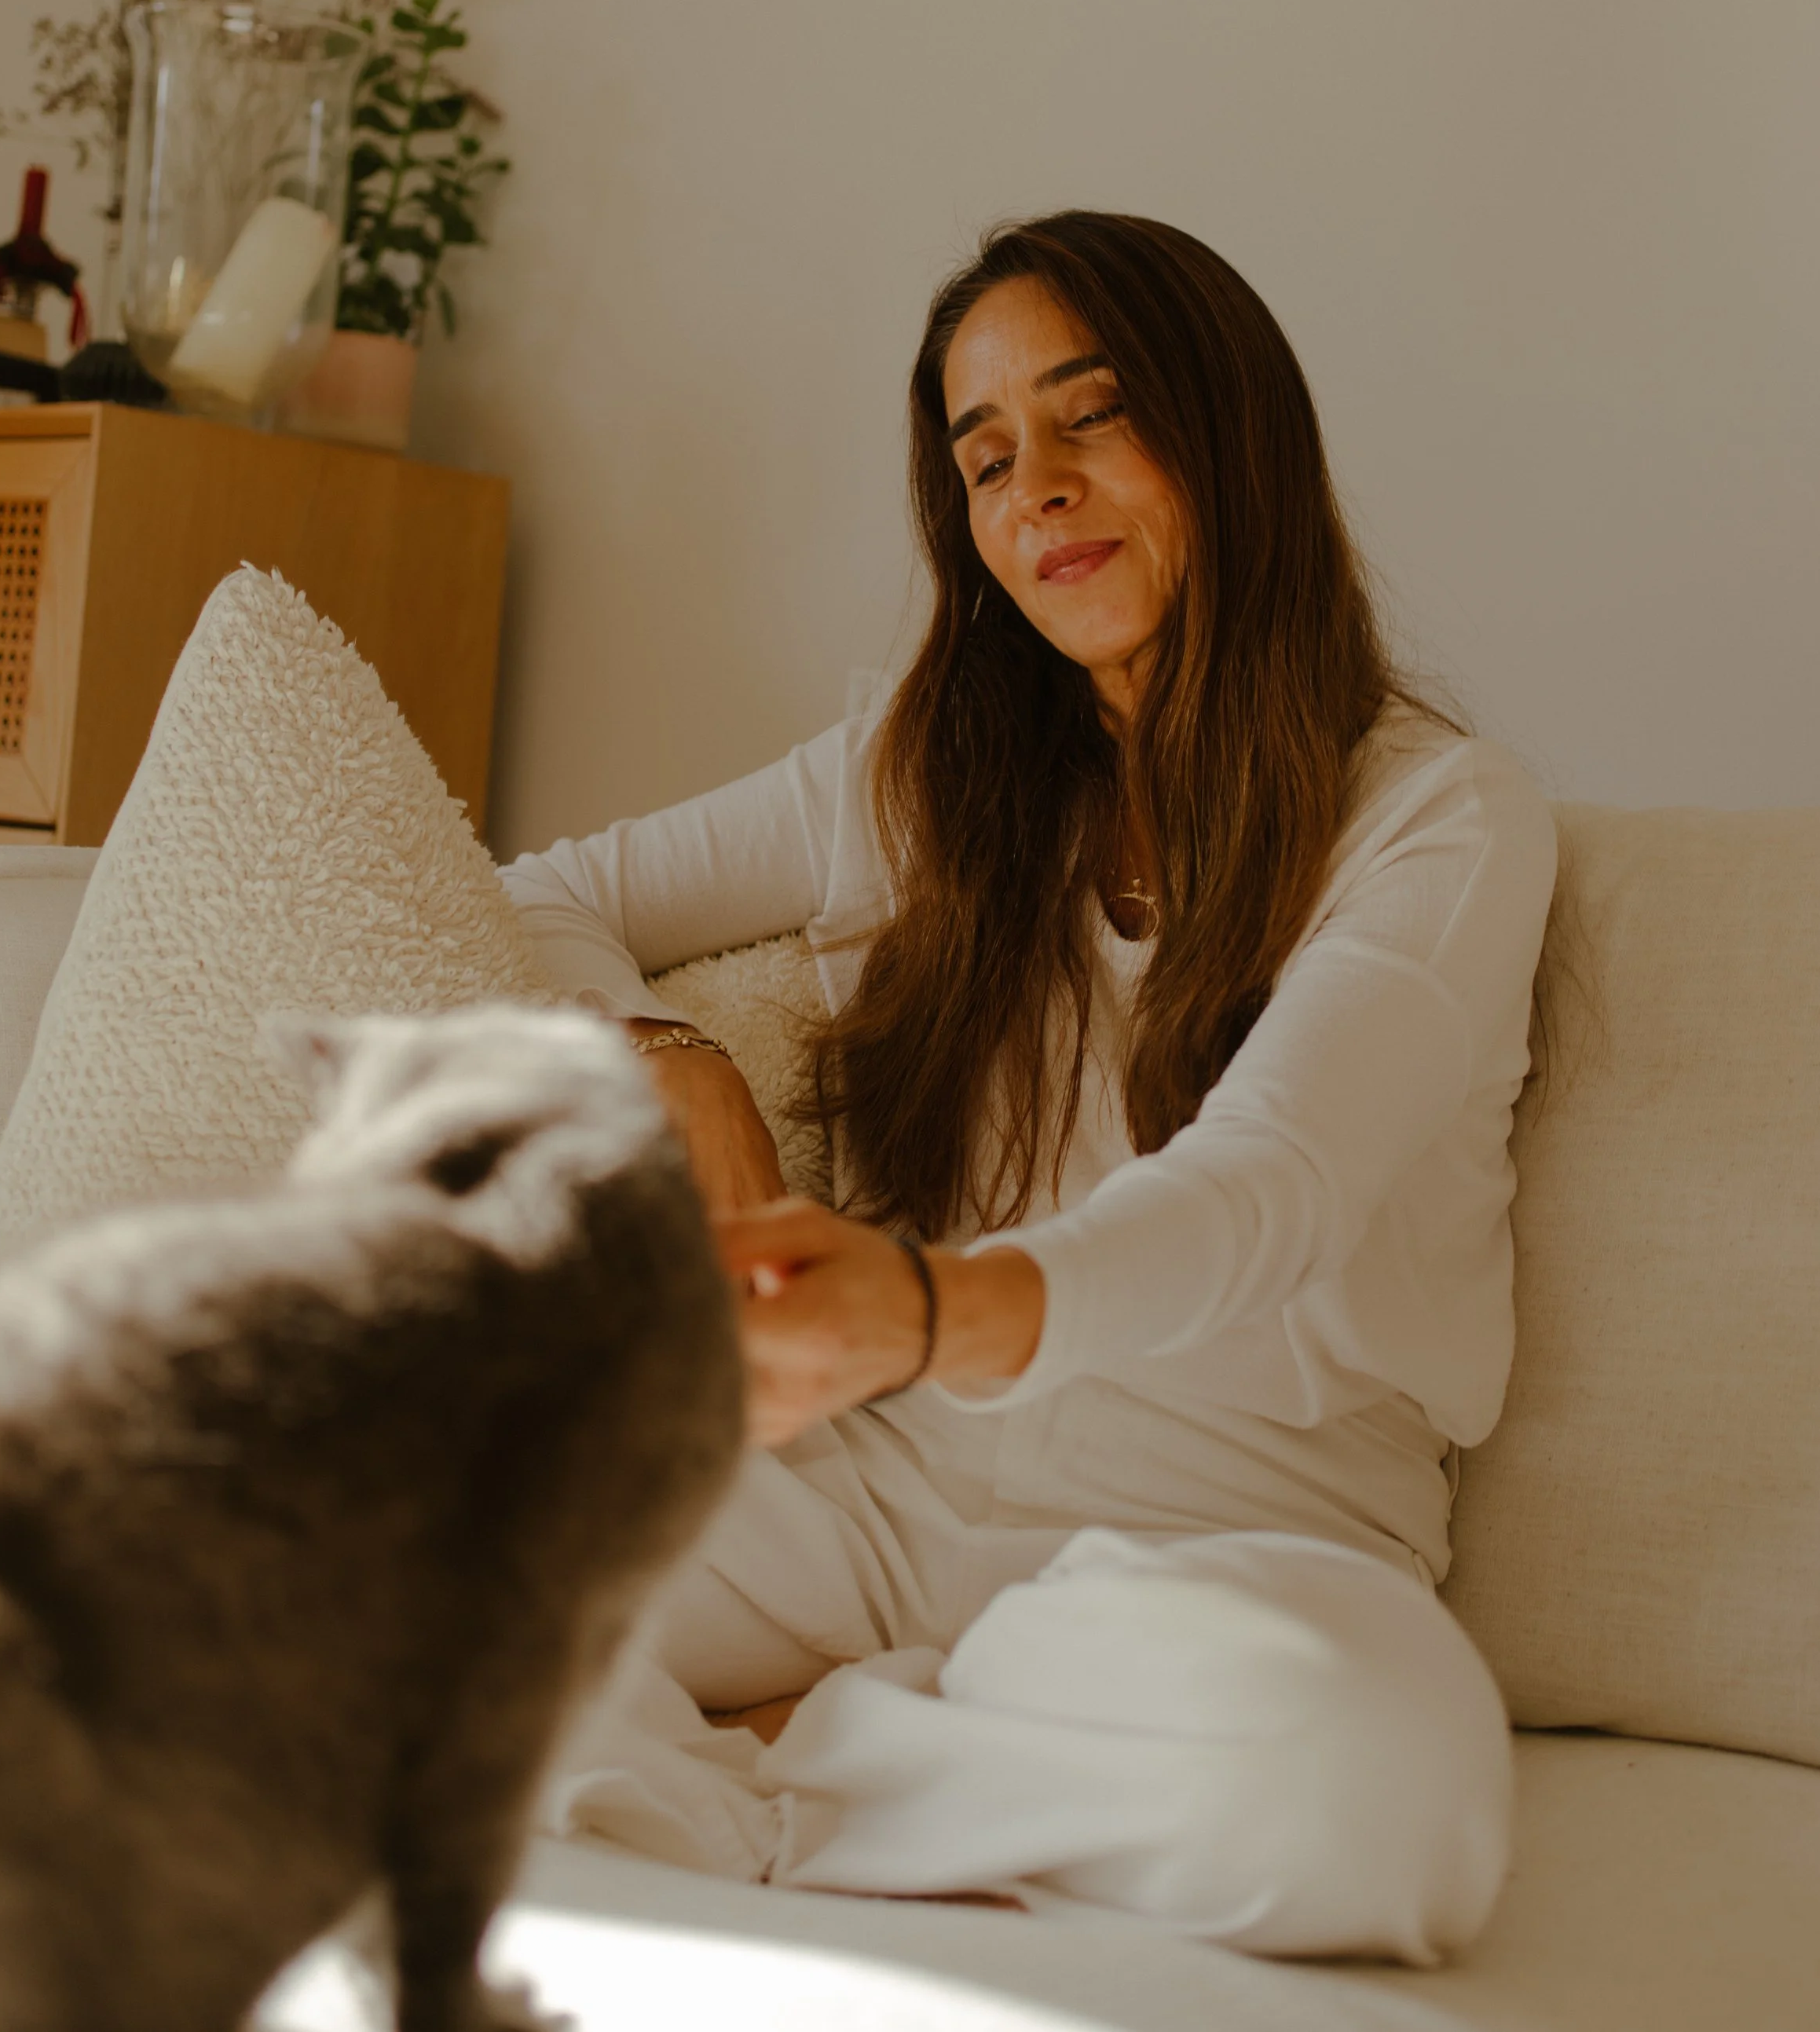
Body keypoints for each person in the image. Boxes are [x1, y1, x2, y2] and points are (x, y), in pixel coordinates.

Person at [498, 211, 1557, 1962]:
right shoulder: (917, 774)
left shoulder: (1437, 818)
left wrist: (924, 1310)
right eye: (985, 460)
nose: (1035, 489)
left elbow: (1265, 1186)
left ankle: (756, 1777)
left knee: (1375, 1787)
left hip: (1229, 1538)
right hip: (882, 1488)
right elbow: (539, 896)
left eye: (1092, 416)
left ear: (1233, 436)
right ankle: (898, 1752)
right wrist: (663, 1060)